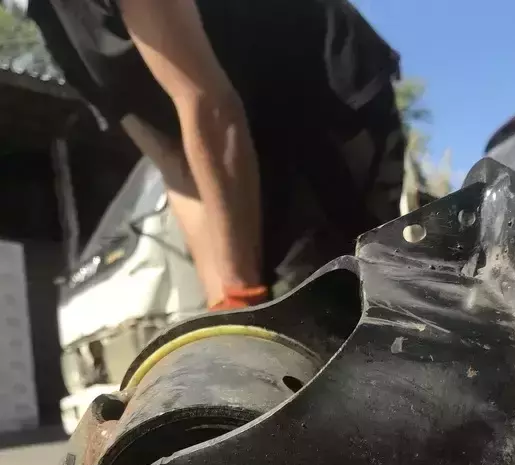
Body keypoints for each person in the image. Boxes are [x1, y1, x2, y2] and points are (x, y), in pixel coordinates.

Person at [4, 0, 405, 310]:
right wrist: (224, 303)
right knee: (259, 303)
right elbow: (173, 163)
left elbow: (209, 106)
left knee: (320, 297)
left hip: (321, 97)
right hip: (247, 132)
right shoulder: (56, 28)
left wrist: (241, 291)